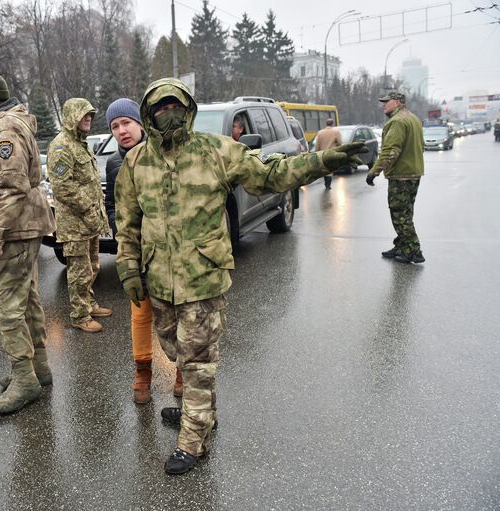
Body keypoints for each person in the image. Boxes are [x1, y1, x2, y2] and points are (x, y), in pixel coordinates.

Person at [114, 78, 367, 475]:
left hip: (203, 277)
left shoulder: (217, 151)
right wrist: (129, 267)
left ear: (187, 109)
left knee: (198, 364)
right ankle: (203, 414)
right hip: (159, 281)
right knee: (175, 351)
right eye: (159, 109)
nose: (167, 114)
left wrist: (321, 162)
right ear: (149, 114)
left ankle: (194, 440)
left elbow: (269, 176)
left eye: (173, 106)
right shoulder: (136, 163)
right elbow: (127, 222)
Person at [0, 69, 56, 415]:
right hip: (22, 227)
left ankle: (25, 378)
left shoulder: (4, 129)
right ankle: (39, 368)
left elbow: (13, 185)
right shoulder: (6, 124)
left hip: (14, 231)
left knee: (4, 305)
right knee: (27, 299)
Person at [104, 98, 183, 404]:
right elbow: (113, 205)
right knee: (140, 312)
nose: (121, 130)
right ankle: (142, 373)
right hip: (135, 248)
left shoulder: (161, 152)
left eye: (126, 123)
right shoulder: (113, 163)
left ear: (140, 123)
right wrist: (120, 229)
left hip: (166, 250)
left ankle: (181, 372)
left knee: (175, 311)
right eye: (114, 126)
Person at [46, 98, 112, 333]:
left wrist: (97, 214)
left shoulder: (81, 144)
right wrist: (88, 208)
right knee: (79, 271)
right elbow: (62, 187)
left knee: (92, 266)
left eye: (91, 115)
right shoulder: (62, 146)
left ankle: (89, 304)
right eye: (84, 115)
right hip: (75, 224)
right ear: (72, 116)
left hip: (89, 222)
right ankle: (79, 315)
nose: (88, 119)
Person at [366, 91, 425, 264]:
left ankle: (413, 250)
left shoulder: (397, 121)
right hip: (413, 173)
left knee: (400, 214)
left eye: (387, 101)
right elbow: (421, 146)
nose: (383, 104)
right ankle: (401, 245)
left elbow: (391, 151)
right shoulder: (413, 118)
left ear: (398, 102)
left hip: (401, 175)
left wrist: (374, 172)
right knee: (406, 212)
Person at [313, 118, 343, 189]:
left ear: (326, 124)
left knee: (324, 167)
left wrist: (316, 152)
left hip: (322, 153)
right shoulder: (336, 132)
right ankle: (328, 184)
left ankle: (326, 182)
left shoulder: (320, 132)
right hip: (331, 153)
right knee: (330, 169)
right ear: (332, 124)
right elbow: (340, 143)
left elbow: (317, 145)